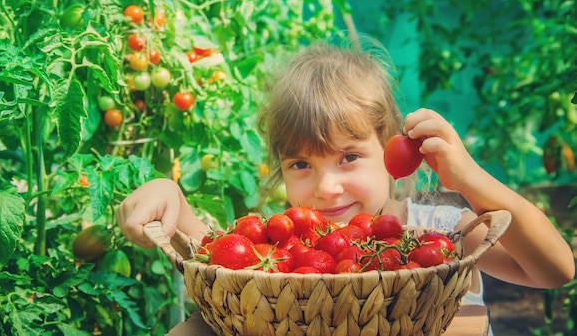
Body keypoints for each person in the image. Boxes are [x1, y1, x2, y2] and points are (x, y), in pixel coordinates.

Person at [117, 38, 575, 307]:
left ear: (392, 152)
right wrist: (168, 195)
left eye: (349, 157)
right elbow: (215, 257)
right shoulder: (280, 248)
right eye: (301, 164)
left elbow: (554, 270)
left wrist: (470, 179)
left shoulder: (442, 237)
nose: (326, 187)